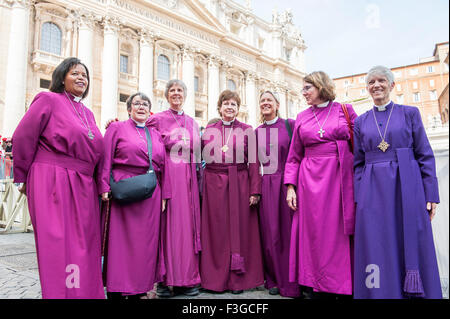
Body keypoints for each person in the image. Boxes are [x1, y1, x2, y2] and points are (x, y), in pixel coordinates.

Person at [11, 57, 105, 299]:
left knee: (83, 245)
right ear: (61, 77)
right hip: (52, 177)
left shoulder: (88, 113)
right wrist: (23, 176)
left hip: (84, 183)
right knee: (58, 244)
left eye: (84, 75)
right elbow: (23, 135)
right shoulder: (48, 99)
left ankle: (82, 294)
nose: (81, 78)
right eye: (75, 73)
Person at [353, 66, 442, 299]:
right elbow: (358, 163)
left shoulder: (410, 113)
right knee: (377, 242)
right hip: (372, 192)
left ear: (392, 86)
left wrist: (430, 194)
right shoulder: (361, 122)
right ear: (367, 88)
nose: (376, 85)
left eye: (382, 81)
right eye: (371, 82)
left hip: (407, 186)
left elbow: (424, 154)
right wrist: (359, 197)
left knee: (411, 237)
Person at [284, 71, 357, 299]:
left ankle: (343, 286)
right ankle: (317, 285)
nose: (303, 92)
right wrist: (290, 187)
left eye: (307, 88)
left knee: (338, 234)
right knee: (315, 235)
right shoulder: (302, 116)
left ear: (320, 86)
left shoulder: (344, 110)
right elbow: (294, 155)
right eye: (303, 89)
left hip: (339, 179)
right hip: (310, 182)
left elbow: (362, 143)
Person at [99, 92, 171, 299]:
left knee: (146, 244)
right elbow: (106, 159)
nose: (141, 107)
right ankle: (118, 286)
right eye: (137, 103)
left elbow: (164, 167)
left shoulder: (155, 134)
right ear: (129, 108)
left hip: (151, 193)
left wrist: (165, 194)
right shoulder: (116, 128)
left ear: (150, 110)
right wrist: (104, 186)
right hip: (124, 190)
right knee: (121, 243)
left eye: (145, 104)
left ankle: (141, 287)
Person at [200, 90, 264, 294]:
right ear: (219, 107)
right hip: (213, 186)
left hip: (240, 183)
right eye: (226, 103)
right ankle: (215, 280)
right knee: (216, 231)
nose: (230, 107)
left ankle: (238, 280)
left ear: (238, 108)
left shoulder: (247, 130)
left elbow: (254, 162)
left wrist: (255, 190)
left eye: (234, 104)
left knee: (240, 230)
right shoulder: (209, 130)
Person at [147, 80, 202, 297]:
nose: (176, 93)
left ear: (185, 94)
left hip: (189, 176)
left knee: (187, 229)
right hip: (168, 173)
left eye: (180, 90)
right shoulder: (157, 119)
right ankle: (164, 280)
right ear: (167, 94)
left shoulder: (192, 122)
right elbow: (139, 134)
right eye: (172, 90)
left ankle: (186, 281)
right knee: (167, 227)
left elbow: (199, 152)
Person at [255, 91, 300, 298]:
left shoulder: (290, 125)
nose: (265, 103)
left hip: (288, 183)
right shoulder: (255, 132)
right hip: (266, 184)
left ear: (277, 104)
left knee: (291, 232)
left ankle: (295, 280)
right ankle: (273, 279)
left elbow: (298, 155)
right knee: (270, 233)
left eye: (269, 100)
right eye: (262, 101)